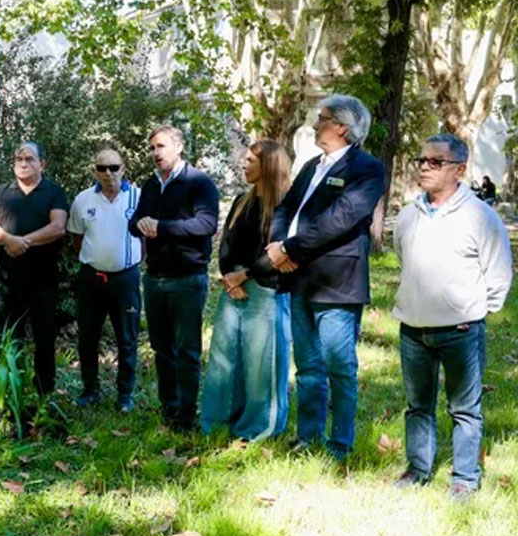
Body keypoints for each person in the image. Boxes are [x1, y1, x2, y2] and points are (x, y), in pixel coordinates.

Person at [265, 94, 385, 460]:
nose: (315, 123)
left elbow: (340, 219)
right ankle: (308, 437)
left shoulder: (367, 169)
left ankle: (340, 444)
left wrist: (290, 249)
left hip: (337, 281)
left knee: (339, 365)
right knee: (308, 365)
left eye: (322, 118)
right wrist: (276, 244)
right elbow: (287, 207)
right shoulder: (311, 166)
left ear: (341, 127)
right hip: (298, 276)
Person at [392, 134, 512, 499]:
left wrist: (471, 310)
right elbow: (403, 259)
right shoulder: (409, 214)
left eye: (435, 161)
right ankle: (418, 469)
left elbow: (499, 273)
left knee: (464, 409)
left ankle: (464, 478)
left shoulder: (480, 215)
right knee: (418, 406)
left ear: (459, 169)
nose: (425, 167)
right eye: (422, 159)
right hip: (413, 328)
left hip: (460, 329)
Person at [199, 141, 293, 440]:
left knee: (260, 364)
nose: (244, 163)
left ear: (267, 166)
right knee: (224, 359)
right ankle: (218, 422)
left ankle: (259, 426)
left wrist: (246, 276)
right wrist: (230, 276)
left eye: (251, 159)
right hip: (233, 289)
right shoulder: (242, 201)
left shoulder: (284, 206)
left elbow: (278, 255)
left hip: (265, 290)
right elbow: (225, 244)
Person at [128, 126, 219, 431]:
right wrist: (141, 224)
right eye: (152, 147)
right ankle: (168, 408)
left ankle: (186, 413)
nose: (156, 153)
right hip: (154, 278)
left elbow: (206, 224)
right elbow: (135, 222)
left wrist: (162, 227)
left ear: (179, 147)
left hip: (187, 278)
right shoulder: (150, 185)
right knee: (161, 347)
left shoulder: (198, 182)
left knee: (187, 350)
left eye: (161, 146)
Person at [0, 142, 69, 396]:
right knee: (10, 338)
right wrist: (9, 240)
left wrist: (23, 241)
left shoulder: (53, 191)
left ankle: (45, 393)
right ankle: (13, 390)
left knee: (44, 340)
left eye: (29, 159)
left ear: (42, 164)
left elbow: (58, 227)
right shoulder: (3, 192)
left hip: (43, 281)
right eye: (18, 158)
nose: (23, 163)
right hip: (9, 279)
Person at [66, 147, 141, 410]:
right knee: (87, 335)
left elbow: (148, 237)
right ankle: (90, 390)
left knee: (127, 337)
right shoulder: (83, 200)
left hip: (126, 279)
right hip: (92, 279)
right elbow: (77, 238)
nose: (108, 173)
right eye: (102, 168)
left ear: (124, 168)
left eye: (114, 167)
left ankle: (125, 394)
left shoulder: (139, 197)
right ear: (94, 171)